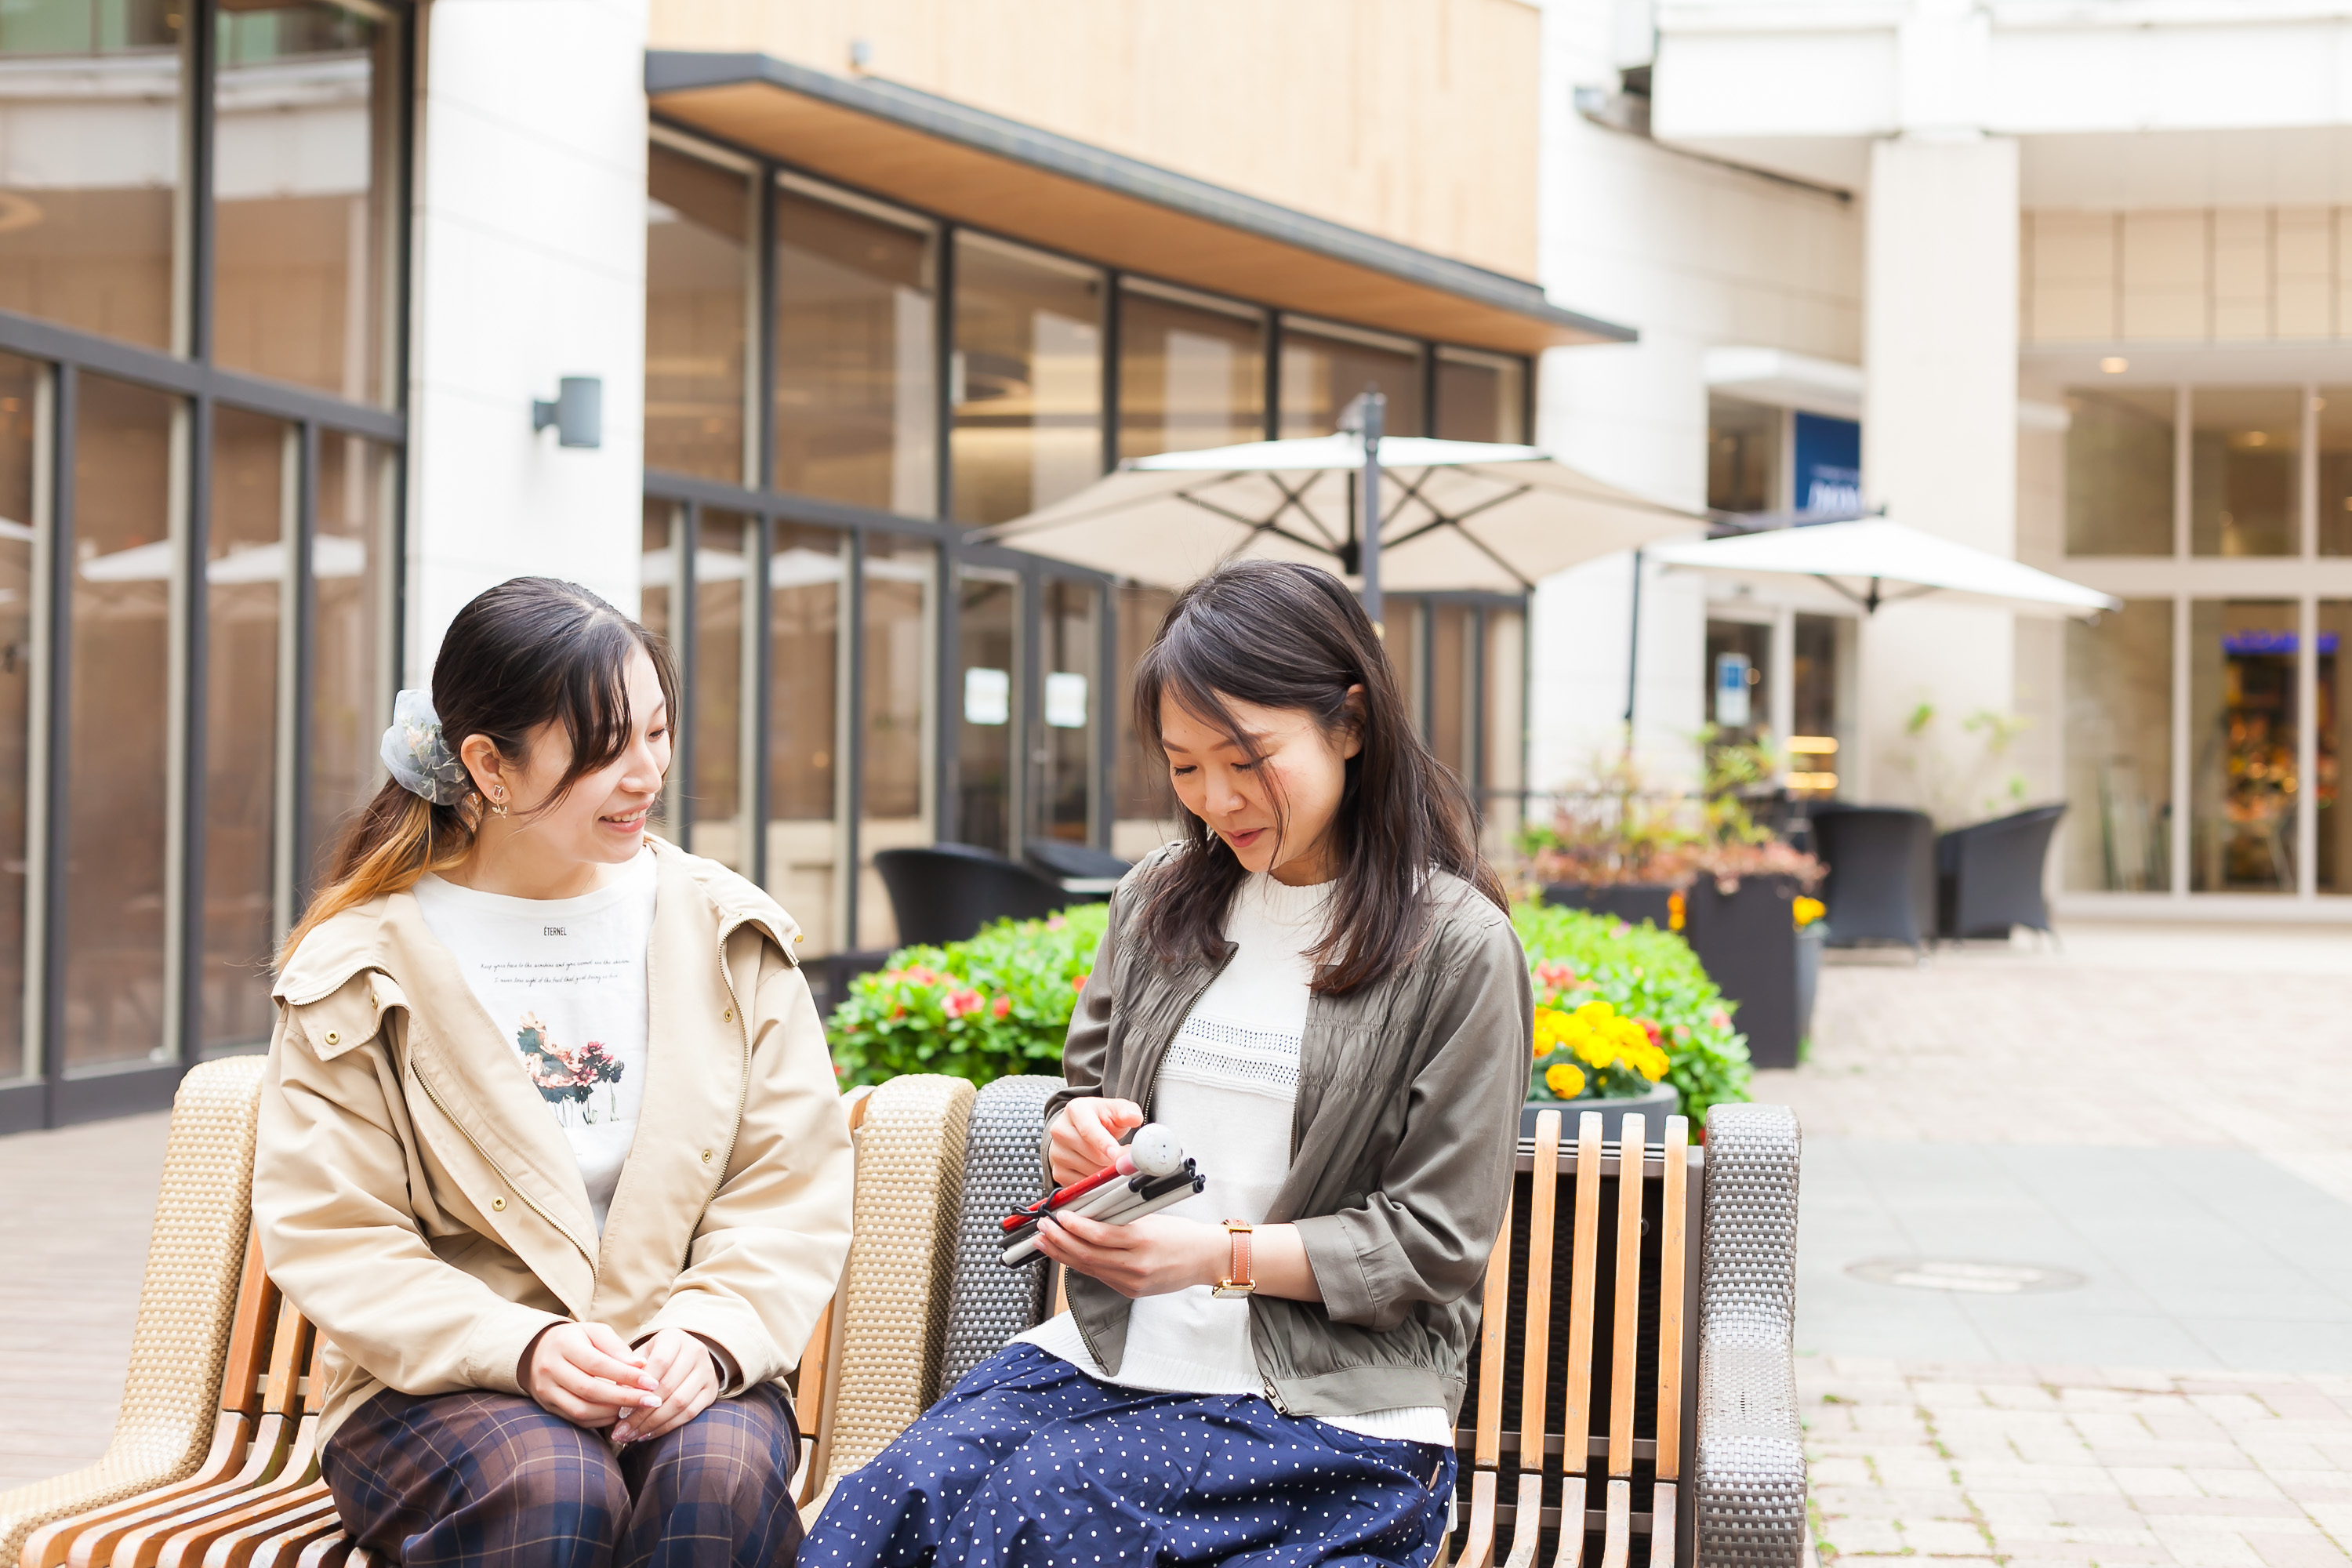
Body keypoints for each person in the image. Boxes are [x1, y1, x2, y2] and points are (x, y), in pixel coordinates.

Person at [802, 560, 1533, 1568]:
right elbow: (1092, 1096)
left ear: (1351, 723)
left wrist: (1214, 1256)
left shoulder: (1456, 945)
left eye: (1247, 757)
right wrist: (1076, 1131)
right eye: (1185, 766)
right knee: (889, 1500)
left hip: (1324, 1408)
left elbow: (1434, 1242)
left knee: (1036, 1510)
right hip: (1112, 1354)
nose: (1216, 798)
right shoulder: (1157, 898)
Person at [252, 576, 852, 1568]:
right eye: (604, 748)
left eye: (657, 733)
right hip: (437, 1387)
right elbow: (335, 1226)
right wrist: (521, 1348)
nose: (645, 772)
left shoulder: (725, 928)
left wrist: (705, 1339)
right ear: (487, 762)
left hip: (685, 1361)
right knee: (553, 1483)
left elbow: (787, 1183)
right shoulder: (361, 961)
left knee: (713, 1482)